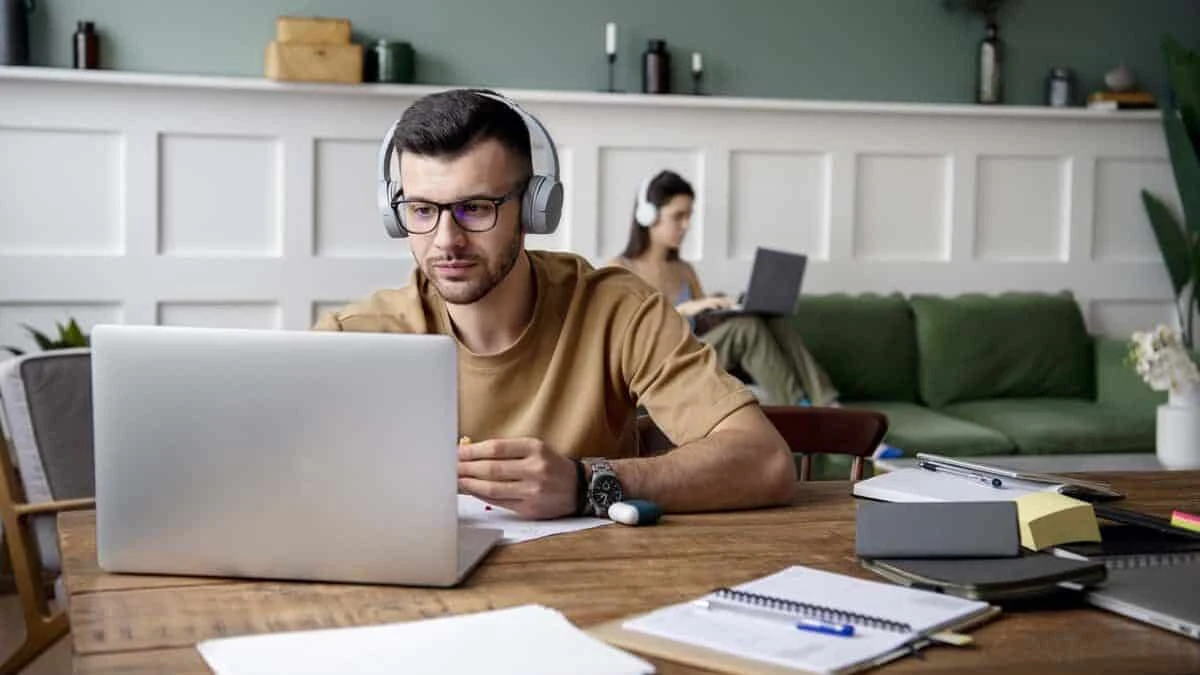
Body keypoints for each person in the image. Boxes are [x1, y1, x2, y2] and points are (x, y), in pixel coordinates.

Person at [313, 89, 796, 520]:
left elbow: (765, 460)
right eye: (422, 210)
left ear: (532, 211)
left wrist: (586, 484)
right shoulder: (350, 336)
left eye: (475, 208)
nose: (446, 241)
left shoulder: (618, 311)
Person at [608, 170, 838, 408]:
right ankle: (804, 411)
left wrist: (725, 306)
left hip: (698, 352)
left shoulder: (684, 269)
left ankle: (828, 404)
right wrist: (684, 309)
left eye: (689, 216)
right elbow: (623, 338)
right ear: (648, 216)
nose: (686, 225)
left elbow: (705, 326)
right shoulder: (619, 269)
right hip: (659, 365)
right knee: (746, 330)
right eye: (678, 216)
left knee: (770, 320)